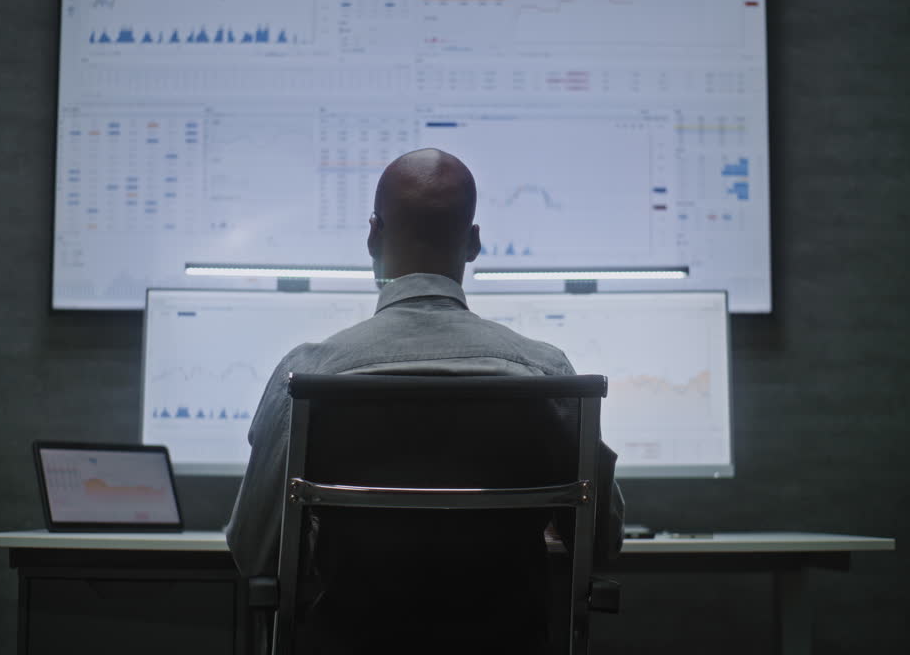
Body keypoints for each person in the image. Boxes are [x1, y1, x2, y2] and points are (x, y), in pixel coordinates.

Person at [225, 148, 624, 653]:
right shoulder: (547, 376)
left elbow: (254, 552)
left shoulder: (308, 375)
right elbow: (600, 546)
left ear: (373, 236)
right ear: (474, 242)